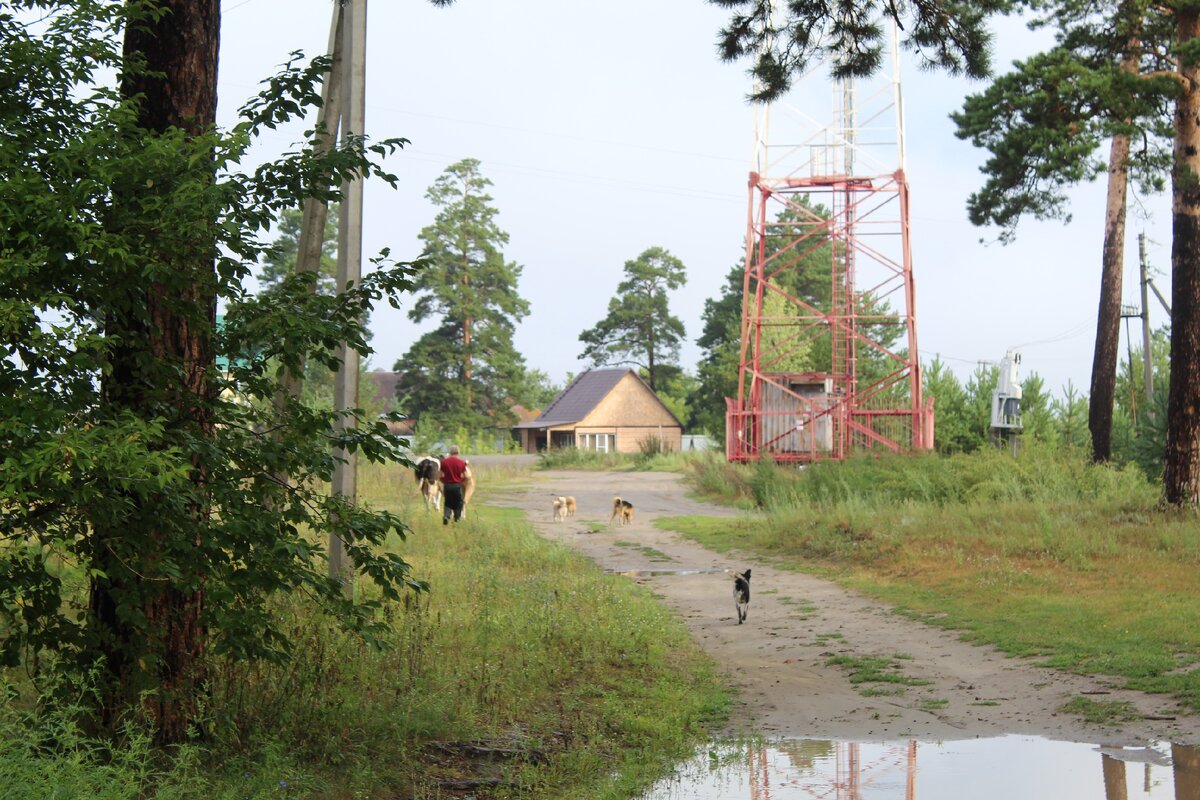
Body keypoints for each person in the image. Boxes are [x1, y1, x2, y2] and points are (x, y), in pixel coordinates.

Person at [439, 444, 469, 525]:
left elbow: (440, 475)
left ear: (450, 451)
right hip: (457, 485)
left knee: (448, 502)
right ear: (458, 452)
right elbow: (466, 476)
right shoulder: (461, 462)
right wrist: (462, 480)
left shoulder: (444, 462)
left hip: (447, 486)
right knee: (458, 503)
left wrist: (442, 480)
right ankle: (456, 519)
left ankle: (446, 516)